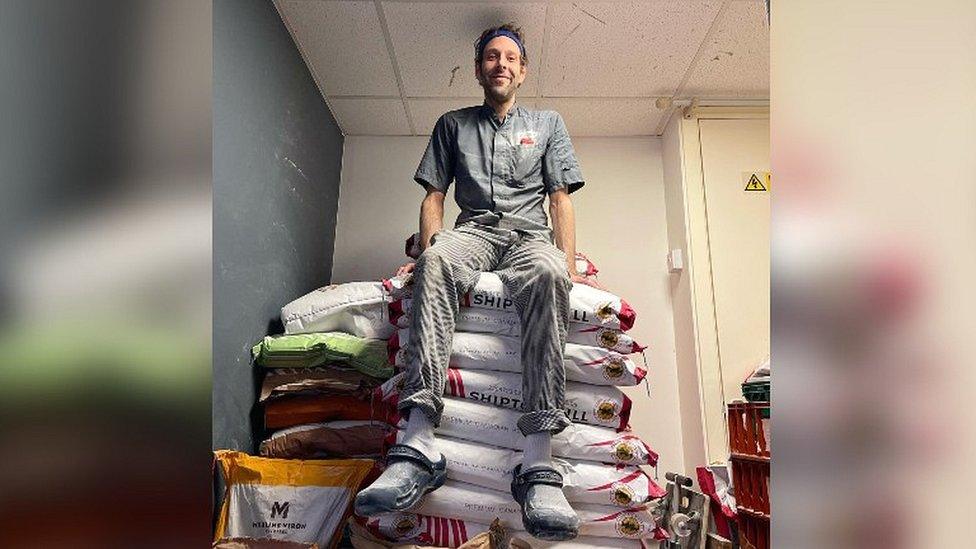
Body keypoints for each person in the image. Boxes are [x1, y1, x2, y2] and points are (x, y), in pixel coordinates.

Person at [354, 23, 593, 541]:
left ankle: (537, 463)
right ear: (480, 68)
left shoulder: (548, 124)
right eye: (490, 56)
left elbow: (561, 200)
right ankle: (418, 443)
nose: (500, 64)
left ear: (523, 71)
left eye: (510, 57)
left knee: (551, 273)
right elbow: (434, 198)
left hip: (529, 236)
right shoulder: (452, 124)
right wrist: (427, 247)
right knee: (437, 261)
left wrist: (569, 266)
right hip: (476, 232)